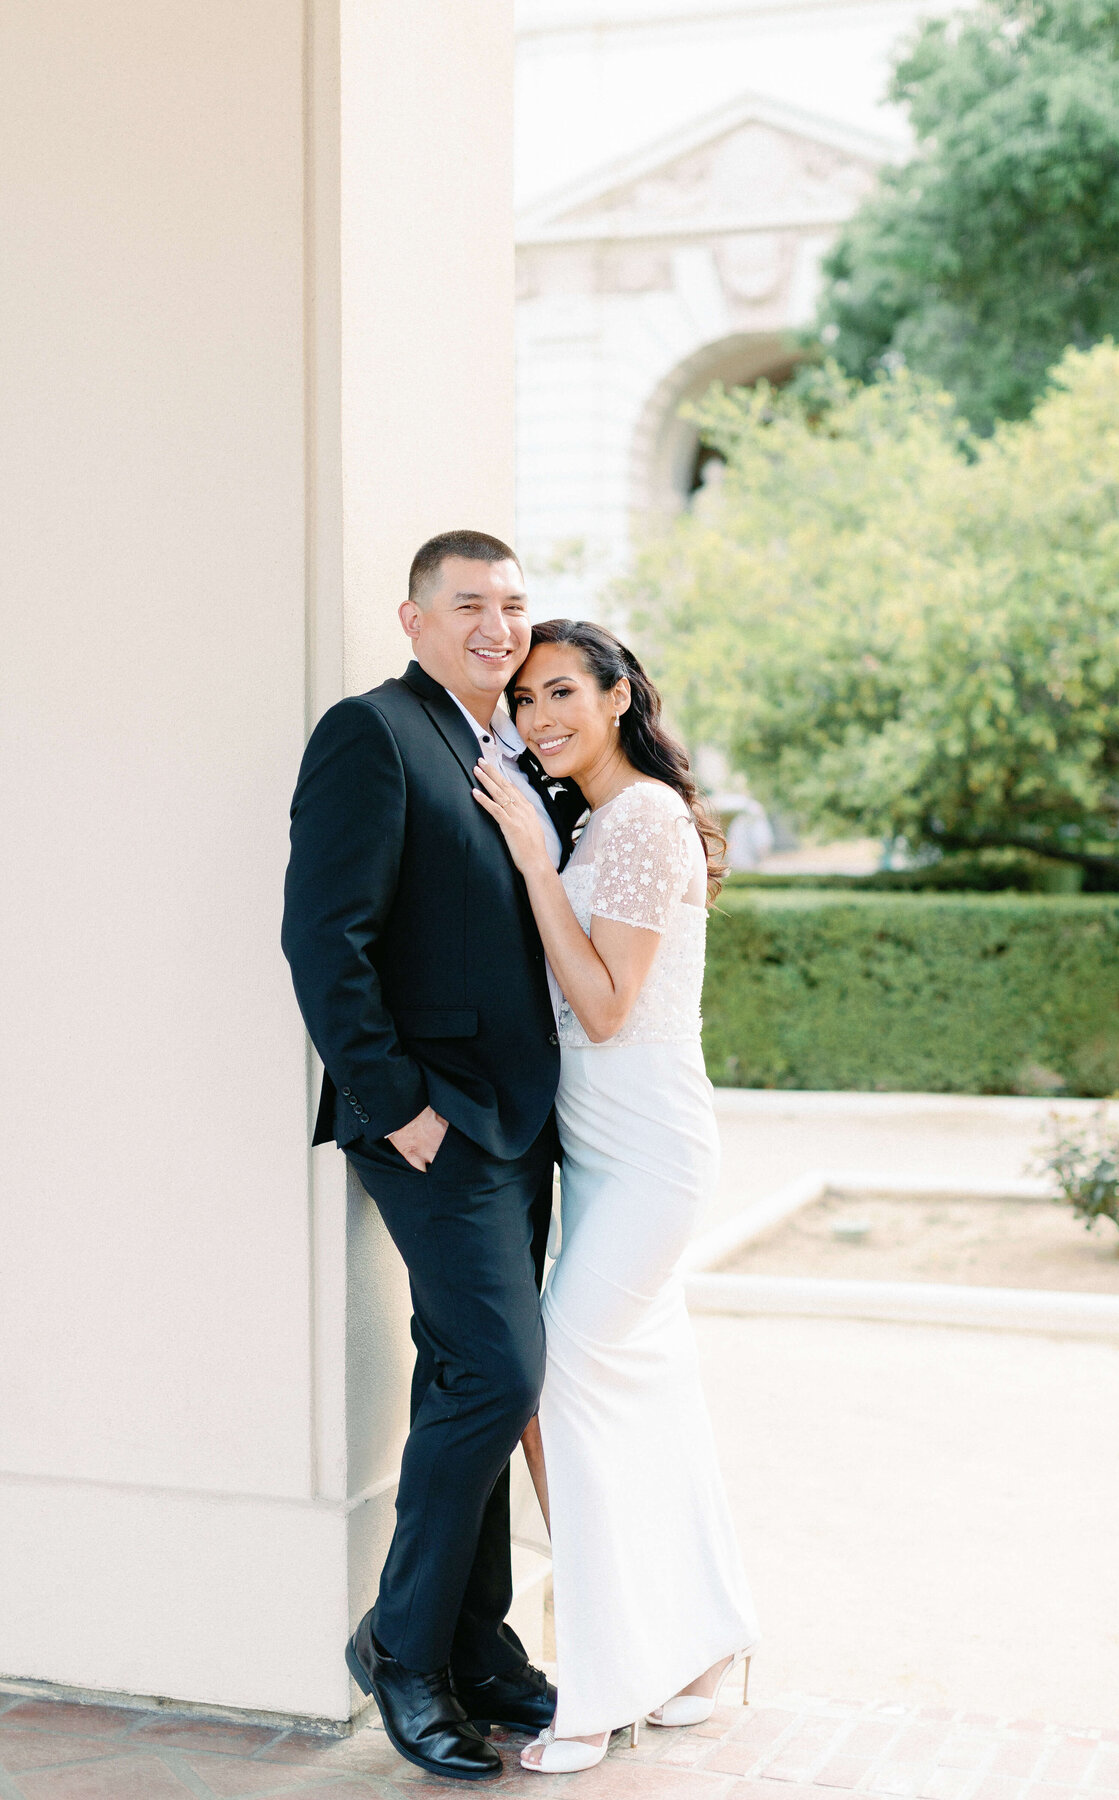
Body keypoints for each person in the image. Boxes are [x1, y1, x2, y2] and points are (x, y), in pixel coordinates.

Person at [281, 531, 585, 1782]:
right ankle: (401, 1649)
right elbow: (321, 935)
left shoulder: (505, 751)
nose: (498, 627)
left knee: (467, 1374)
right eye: (470, 605)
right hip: (432, 1122)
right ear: (414, 620)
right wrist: (394, 1101)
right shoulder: (372, 734)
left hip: (522, 1123)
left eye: (513, 605)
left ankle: (475, 1636)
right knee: (499, 1372)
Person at [472, 618, 759, 1775]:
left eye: (560, 694)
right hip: (598, 1157)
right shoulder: (599, 815)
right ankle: (696, 1653)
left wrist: (537, 863)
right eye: (525, 701)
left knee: (557, 1380)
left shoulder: (637, 820)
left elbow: (602, 1008)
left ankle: (597, 1689)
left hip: (648, 1156)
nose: (540, 718)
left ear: (619, 693)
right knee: (647, 1393)